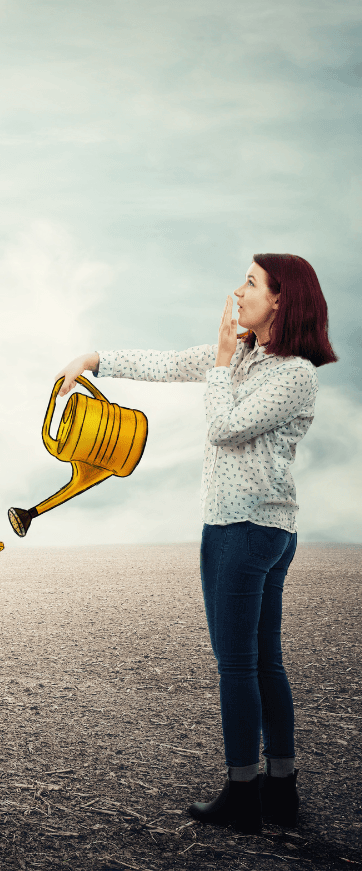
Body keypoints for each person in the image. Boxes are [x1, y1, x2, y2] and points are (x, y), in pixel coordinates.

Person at [53, 254, 337, 835]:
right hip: (255, 530)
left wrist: (222, 362)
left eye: (252, 283)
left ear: (281, 300)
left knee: (239, 666)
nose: (239, 291)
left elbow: (224, 427)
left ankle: (244, 795)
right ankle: (280, 791)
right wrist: (95, 359)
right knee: (263, 662)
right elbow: (169, 362)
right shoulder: (248, 359)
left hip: (244, 531)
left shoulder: (293, 374)